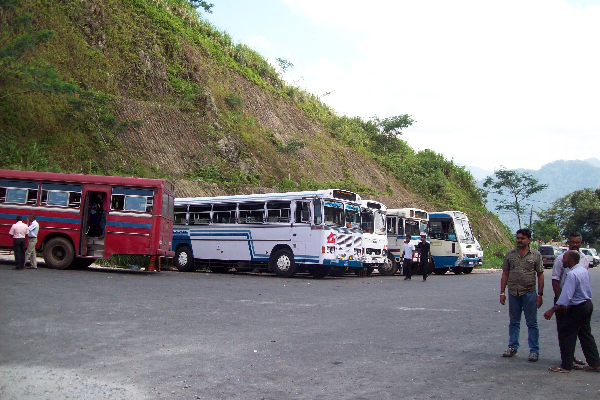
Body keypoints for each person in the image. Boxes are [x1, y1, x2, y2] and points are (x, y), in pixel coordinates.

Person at [543, 250, 600, 373]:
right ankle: (595, 363)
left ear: (571, 260)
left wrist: (552, 310)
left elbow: (566, 297)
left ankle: (566, 365)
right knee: (585, 334)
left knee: (566, 334)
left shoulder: (572, 274)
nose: (562, 260)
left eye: (564, 258)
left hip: (577, 307)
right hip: (587, 305)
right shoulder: (583, 271)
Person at [499, 228, 544, 362]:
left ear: (529, 240)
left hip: (529, 292)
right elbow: (505, 274)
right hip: (513, 292)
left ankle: (534, 350)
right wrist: (502, 292)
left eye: (522, 238)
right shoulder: (510, 255)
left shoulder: (535, 255)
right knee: (514, 322)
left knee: (532, 323)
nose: (519, 240)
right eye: (518, 238)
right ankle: (512, 347)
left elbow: (540, 275)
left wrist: (540, 294)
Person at [551, 232, 589, 366]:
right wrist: (561, 301)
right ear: (568, 242)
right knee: (564, 331)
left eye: (577, 242)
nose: (574, 245)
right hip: (563, 301)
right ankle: (567, 360)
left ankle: (573, 358)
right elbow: (555, 280)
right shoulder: (561, 259)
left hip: (578, 302)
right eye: (572, 242)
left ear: (581, 243)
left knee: (580, 331)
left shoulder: (584, 259)